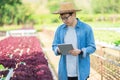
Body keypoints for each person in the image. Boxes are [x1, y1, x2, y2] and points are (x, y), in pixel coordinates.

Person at [52, 2, 96, 80]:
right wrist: (58, 50)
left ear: (74, 14)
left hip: (81, 71)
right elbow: (54, 46)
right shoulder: (60, 29)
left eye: (66, 17)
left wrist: (81, 51)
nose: (64, 21)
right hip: (65, 71)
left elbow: (92, 47)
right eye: (62, 18)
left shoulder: (86, 28)